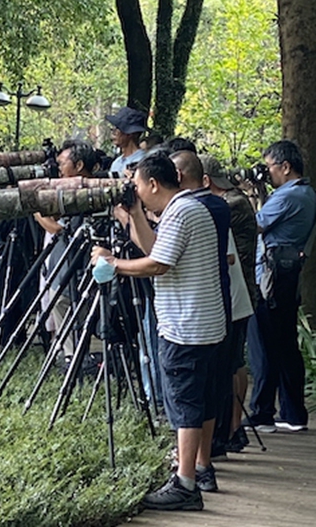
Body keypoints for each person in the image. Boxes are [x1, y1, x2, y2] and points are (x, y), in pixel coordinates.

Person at [92, 153, 224, 510]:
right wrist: (135, 213)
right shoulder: (189, 208)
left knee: (183, 402)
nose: (133, 190)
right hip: (204, 323)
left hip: (185, 326)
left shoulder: (181, 213)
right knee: (198, 399)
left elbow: (158, 264)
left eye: (136, 184)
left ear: (153, 183)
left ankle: (184, 484)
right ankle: (197, 470)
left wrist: (112, 264)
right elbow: (155, 248)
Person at [245, 139, 316, 433]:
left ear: (285, 167)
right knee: (286, 343)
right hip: (287, 276)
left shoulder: (288, 196)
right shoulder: (307, 193)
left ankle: (262, 413)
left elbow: (255, 224)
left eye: (270, 167)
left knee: (264, 343)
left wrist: (249, 196)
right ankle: (293, 413)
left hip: (271, 278)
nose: (268, 173)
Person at [198, 153, 257, 454]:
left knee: (229, 366)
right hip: (236, 295)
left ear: (205, 181)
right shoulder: (225, 203)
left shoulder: (223, 207)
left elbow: (228, 256)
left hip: (233, 296)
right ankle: (233, 430)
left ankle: (232, 430)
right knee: (233, 364)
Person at [33, 140, 98, 361]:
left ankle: (73, 358)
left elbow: (63, 231)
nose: (59, 169)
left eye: (63, 163)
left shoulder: (88, 192)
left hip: (73, 267)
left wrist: (37, 212)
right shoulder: (71, 190)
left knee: (65, 303)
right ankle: (70, 355)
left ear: (79, 165)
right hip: (63, 265)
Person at [106, 106, 148, 177]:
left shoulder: (143, 162)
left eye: (118, 128)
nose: (114, 132)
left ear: (130, 133)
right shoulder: (116, 163)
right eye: (113, 128)